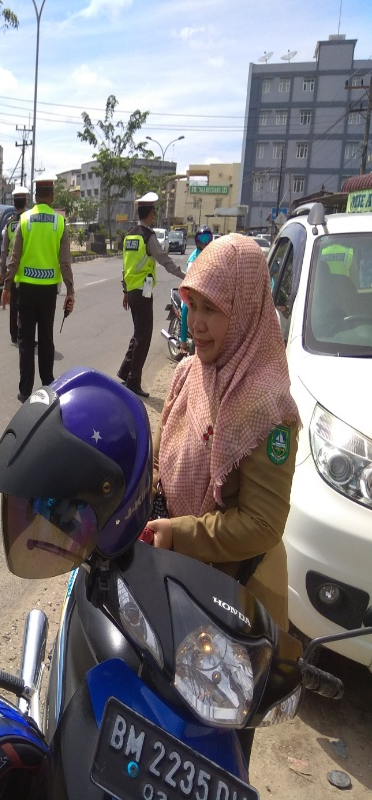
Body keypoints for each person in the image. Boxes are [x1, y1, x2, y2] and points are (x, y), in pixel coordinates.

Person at [144, 234, 301, 631]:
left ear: (244, 309)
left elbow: (263, 524)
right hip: (179, 574)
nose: (195, 323)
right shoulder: (192, 371)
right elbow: (161, 458)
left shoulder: (267, 408)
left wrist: (180, 534)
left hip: (237, 598)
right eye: (192, 305)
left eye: (210, 309)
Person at [2, 174, 75, 403]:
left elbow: (14, 258)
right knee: (46, 338)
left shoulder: (24, 221)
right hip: (48, 293)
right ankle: (47, 386)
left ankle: (25, 391)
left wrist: (7, 285)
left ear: (35, 196)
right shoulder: (59, 222)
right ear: (52, 196)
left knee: (25, 341)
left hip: (26, 291)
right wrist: (70, 291)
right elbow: (65, 261)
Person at [118, 192, 186, 397]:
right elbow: (165, 260)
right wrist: (185, 275)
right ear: (151, 214)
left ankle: (125, 370)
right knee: (144, 336)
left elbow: (125, 265)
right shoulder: (148, 237)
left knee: (138, 333)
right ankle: (133, 381)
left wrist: (125, 290)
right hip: (143, 291)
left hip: (131, 289)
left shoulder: (129, 234)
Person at [0, 185, 31, 345]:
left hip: (12, 269)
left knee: (13, 305)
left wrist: (2, 271)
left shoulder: (9, 224)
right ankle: (24, 334)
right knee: (25, 306)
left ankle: (14, 334)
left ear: (14, 204)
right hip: (27, 271)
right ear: (26, 202)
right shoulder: (30, 222)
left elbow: (4, 250)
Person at [178, 224, 213, 353]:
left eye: (207, 238)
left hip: (208, 290)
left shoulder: (213, 253)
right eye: (202, 238)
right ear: (197, 240)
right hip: (193, 289)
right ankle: (182, 341)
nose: (205, 241)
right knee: (186, 308)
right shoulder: (194, 256)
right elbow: (190, 274)